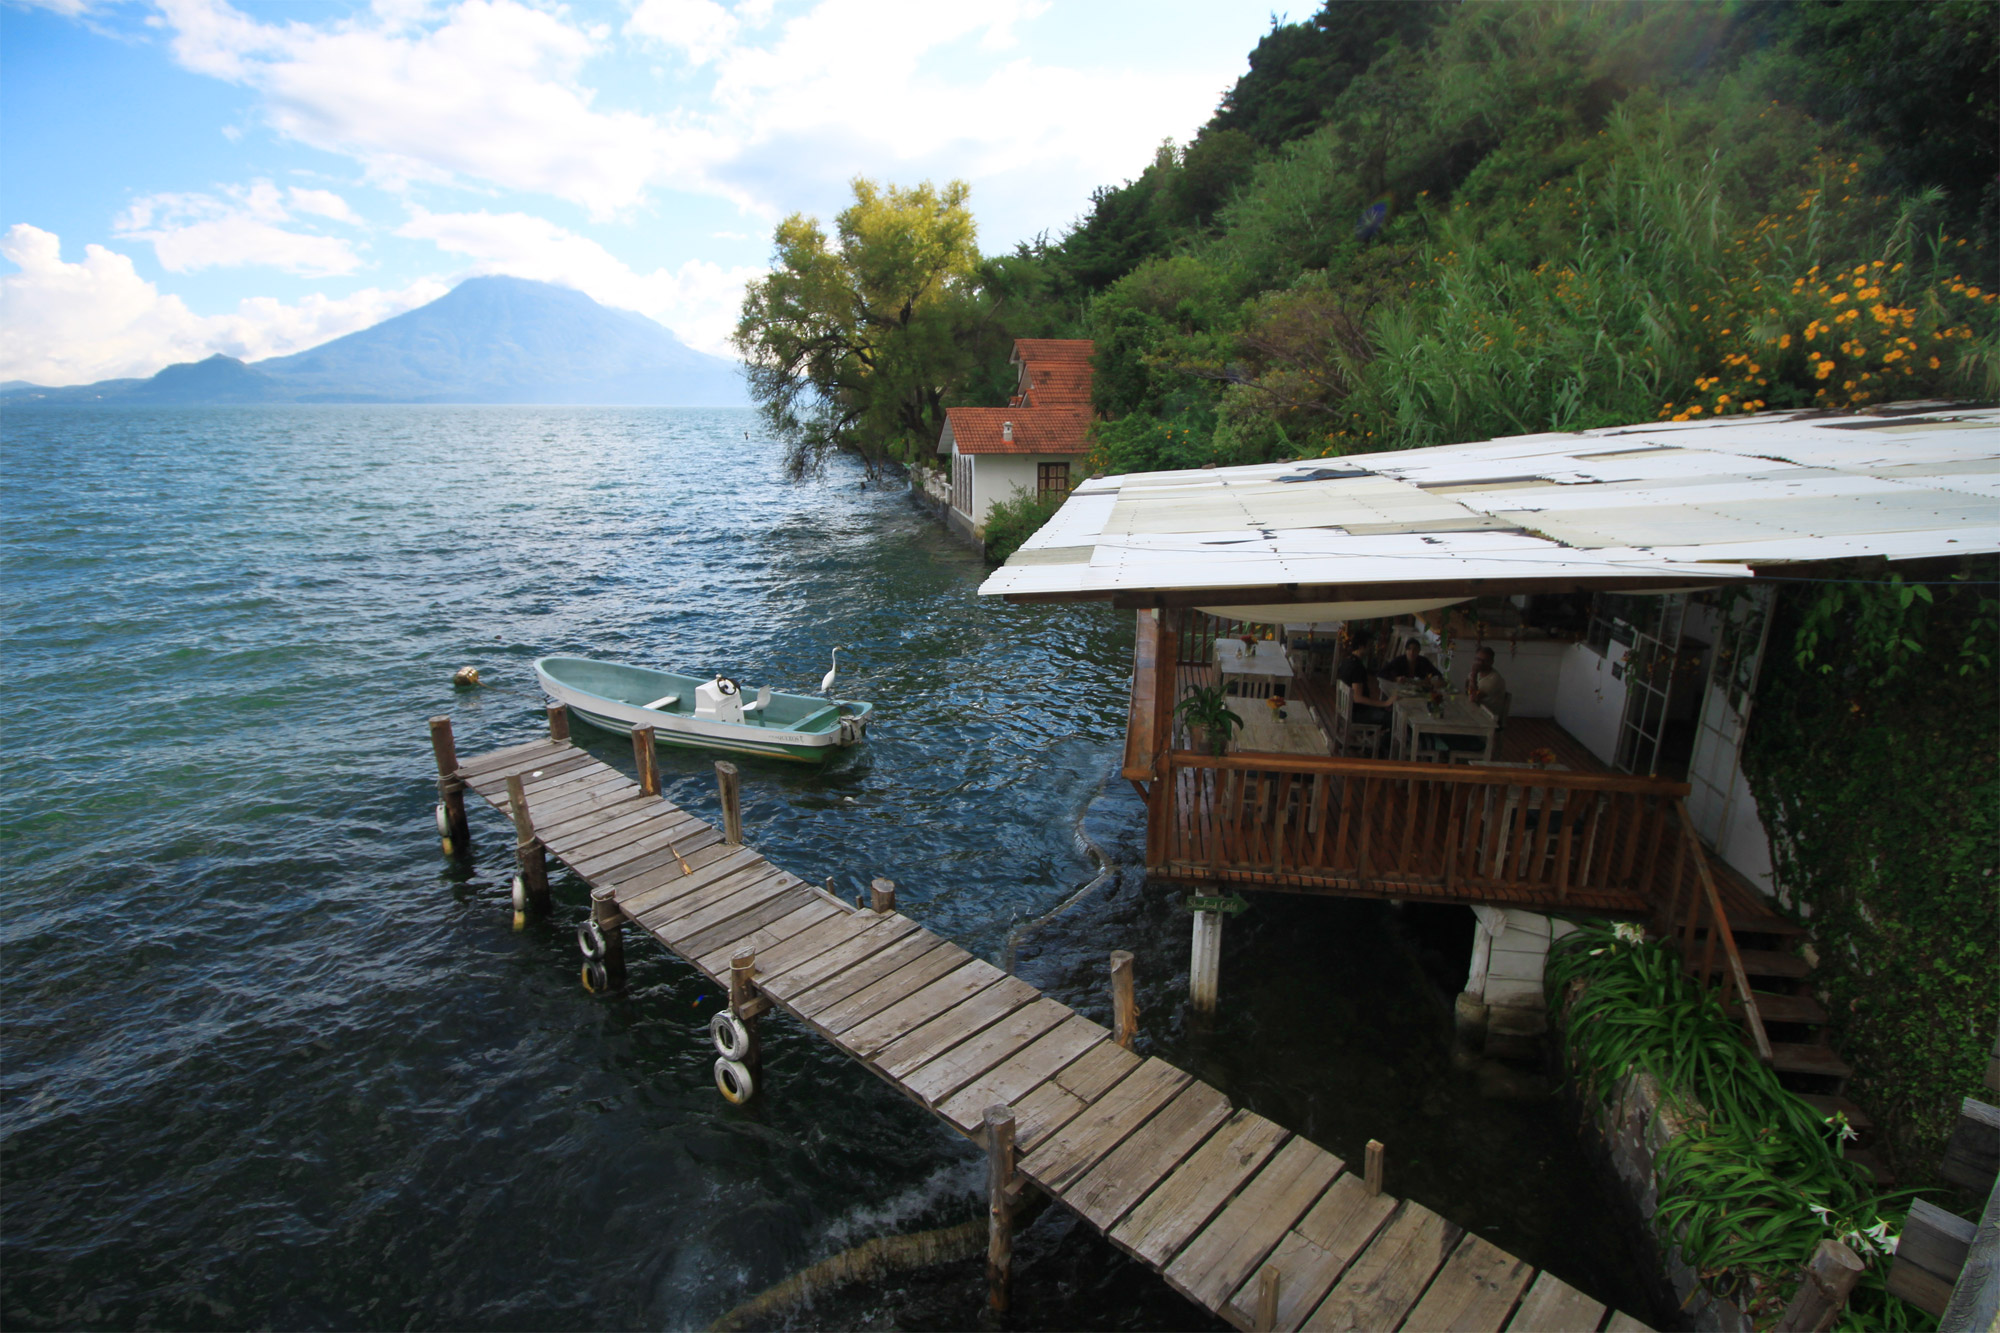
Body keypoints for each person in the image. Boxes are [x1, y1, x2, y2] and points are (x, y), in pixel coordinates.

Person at [1335, 646, 1394, 727]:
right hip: (1357, 714)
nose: (1370, 649)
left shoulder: (1346, 661)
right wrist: (1385, 703)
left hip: (1346, 710)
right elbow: (1357, 698)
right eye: (1368, 646)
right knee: (1393, 719)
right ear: (1362, 646)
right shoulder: (1357, 667)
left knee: (1386, 711)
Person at [1465, 646, 1509, 717]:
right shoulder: (1477, 674)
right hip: (1476, 711)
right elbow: (1467, 691)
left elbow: (1473, 698)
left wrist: (1473, 676)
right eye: (1478, 659)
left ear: (1491, 662)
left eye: (1485, 661)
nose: (1480, 663)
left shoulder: (1494, 679)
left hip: (1489, 717)